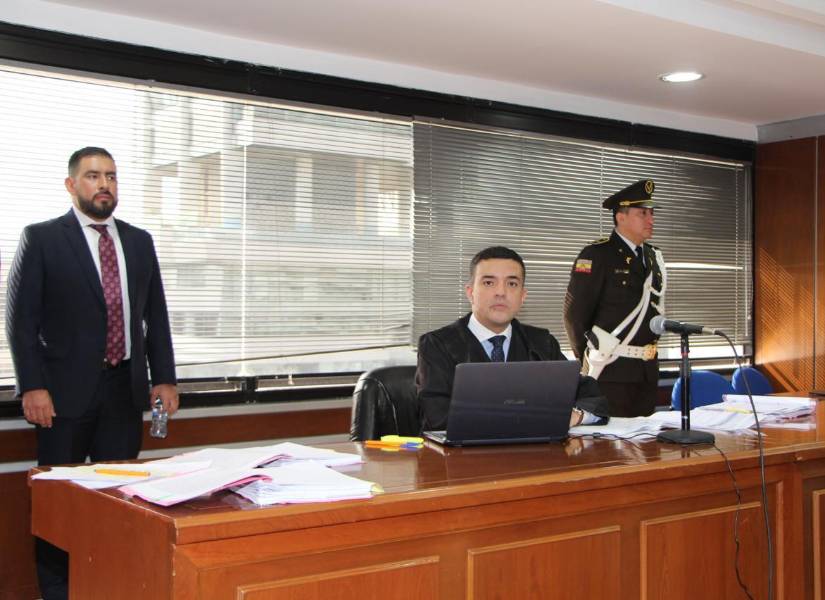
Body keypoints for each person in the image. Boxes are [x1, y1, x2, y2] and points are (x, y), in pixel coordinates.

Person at [5, 146, 178, 600]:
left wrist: (164, 378)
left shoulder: (139, 241)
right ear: (72, 185)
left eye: (112, 177)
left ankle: (113, 586)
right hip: (61, 397)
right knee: (59, 505)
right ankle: (59, 592)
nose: (105, 184)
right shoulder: (41, 238)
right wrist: (34, 386)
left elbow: (155, 316)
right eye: (94, 176)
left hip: (125, 392)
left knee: (123, 499)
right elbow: (20, 321)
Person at [416, 246, 608, 431]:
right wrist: (533, 417)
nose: (501, 292)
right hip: (462, 460)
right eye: (489, 283)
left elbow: (590, 396)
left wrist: (578, 415)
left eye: (512, 284)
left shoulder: (541, 343)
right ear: (470, 292)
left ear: (523, 296)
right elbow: (436, 417)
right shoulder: (437, 345)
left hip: (534, 457)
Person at [563, 179, 666, 417]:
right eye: (643, 213)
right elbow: (575, 317)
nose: (651, 220)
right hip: (609, 371)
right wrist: (588, 357)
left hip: (646, 371)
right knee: (607, 446)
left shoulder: (653, 257)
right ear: (621, 216)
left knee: (646, 447)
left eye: (652, 213)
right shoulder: (598, 255)